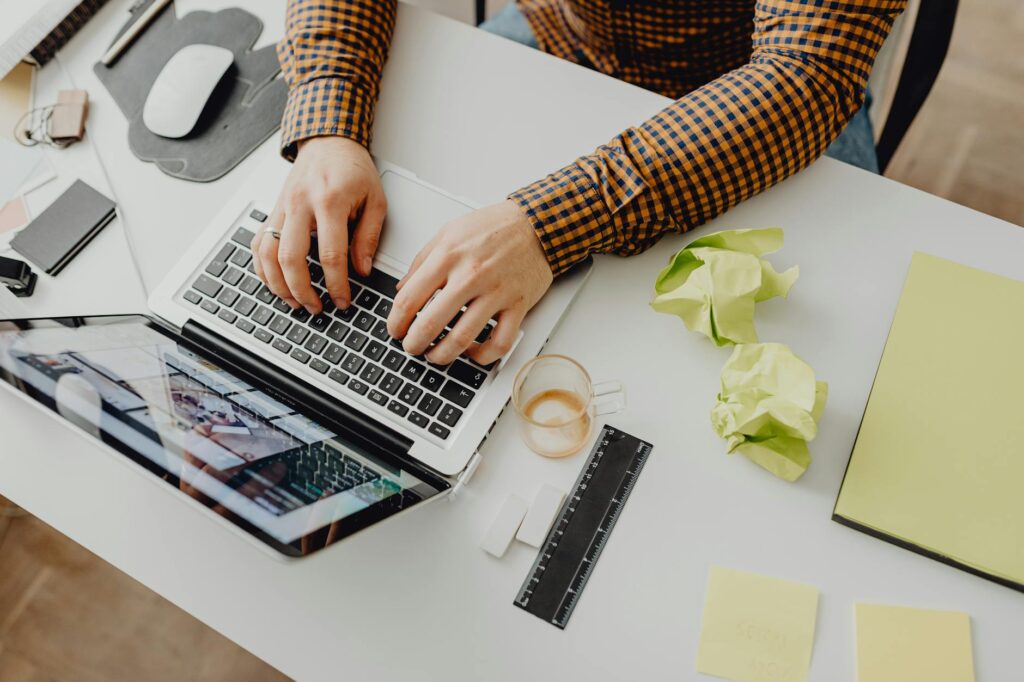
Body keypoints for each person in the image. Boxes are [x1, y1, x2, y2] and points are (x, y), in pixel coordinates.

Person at [252, 0, 906, 369]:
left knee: (851, 354)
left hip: (761, 93)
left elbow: (808, 73)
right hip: (560, 34)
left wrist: (546, 225)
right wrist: (329, 122)